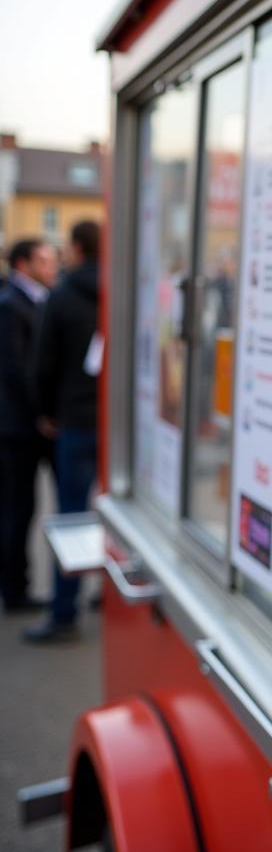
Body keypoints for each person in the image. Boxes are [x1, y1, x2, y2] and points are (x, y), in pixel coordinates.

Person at [23, 221, 100, 642]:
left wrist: (46, 412)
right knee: (119, 513)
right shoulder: (123, 288)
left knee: (71, 515)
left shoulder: (64, 295)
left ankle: (64, 612)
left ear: (75, 247)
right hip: (114, 425)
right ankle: (111, 597)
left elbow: (43, 363)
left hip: (74, 419)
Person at [0, 238, 57, 612]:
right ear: (23, 264)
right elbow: (18, 370)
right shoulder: (10, 304)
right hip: (17, 427)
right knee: (16, 509)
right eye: (43, 260)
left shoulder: (36, 300)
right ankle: (14, 591)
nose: (51, 267)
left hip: (31, 424)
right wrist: (44, 413)